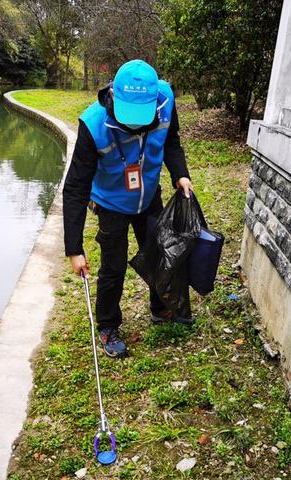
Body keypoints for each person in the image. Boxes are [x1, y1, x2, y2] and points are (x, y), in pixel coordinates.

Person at [63, 59, 192, 358]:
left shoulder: (166, 100)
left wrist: (180, 174)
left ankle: (161, 308)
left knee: (159, 253)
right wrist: (74, 248)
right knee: (114, 265)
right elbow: (75, 188)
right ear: (113, 96)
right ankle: (108, 325)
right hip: (111, 203)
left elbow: (171, 143)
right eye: (128, 116)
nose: (134, 124)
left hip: (148, 196)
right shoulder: (93, 125)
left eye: (140, 116)